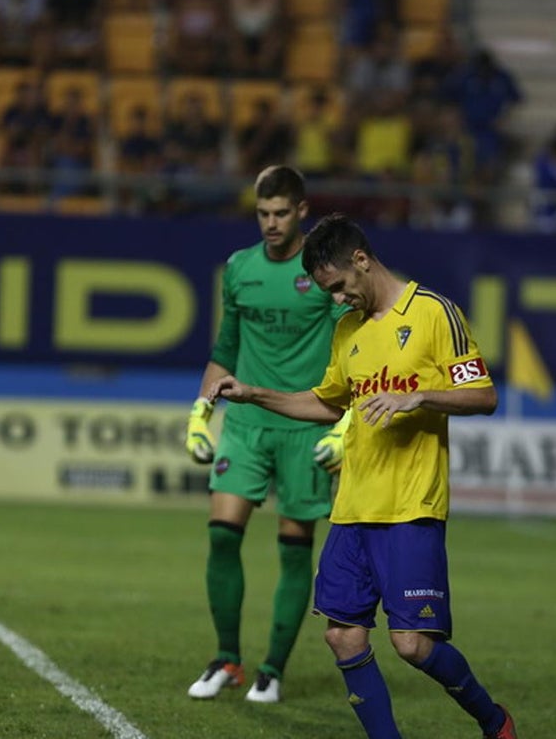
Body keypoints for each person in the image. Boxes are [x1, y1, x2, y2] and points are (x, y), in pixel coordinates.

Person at [206, 213, 518, 739]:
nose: (335, 300)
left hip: (411, 508)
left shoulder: (434, 313)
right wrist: (255, 392)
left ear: (361, 260)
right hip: (352, 509)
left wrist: (420, 395)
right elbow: (327, 403)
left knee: (412, 645)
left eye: (338, 287)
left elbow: (484, 395)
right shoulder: (347, 330)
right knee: (343, 639)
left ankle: (494, 722)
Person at [183, 165, 351, 705]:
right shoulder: (239, 268)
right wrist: (199, 414)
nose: (271, 223)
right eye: (262, 213)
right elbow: (225, 348)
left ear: (302, 211)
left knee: (295, 548)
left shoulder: (324, 273)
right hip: (247, 423)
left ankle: (272, 668)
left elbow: (354, 354)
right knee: (221, 534)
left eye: (281, 213)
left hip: (306, 425)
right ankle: (226, 658)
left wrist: (344, 426)